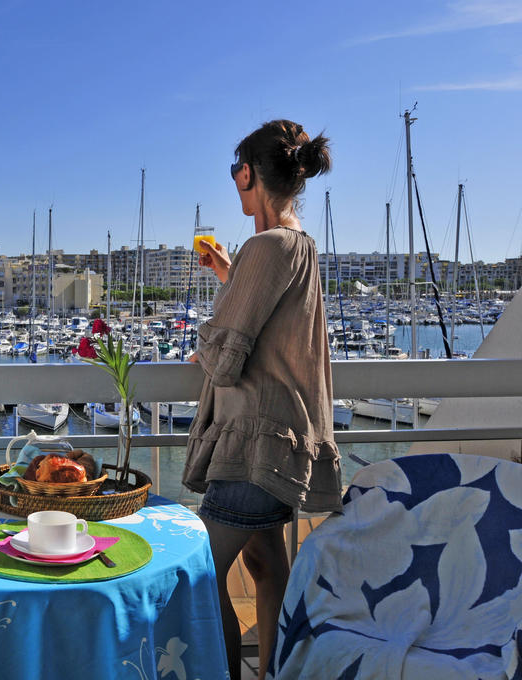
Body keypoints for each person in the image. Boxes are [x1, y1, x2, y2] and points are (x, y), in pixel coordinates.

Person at [183, 119, 342, 680]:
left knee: (198, 577)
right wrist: (231, 272)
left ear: (247, 173)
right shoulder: (299, 245)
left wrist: (202, 345)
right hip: (285, 439)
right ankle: (272, 673)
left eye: (235, 171)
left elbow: (225, 359)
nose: (234, 181)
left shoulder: (266, 245)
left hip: (253, 444)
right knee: (266, 561)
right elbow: (272, 326)